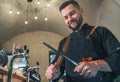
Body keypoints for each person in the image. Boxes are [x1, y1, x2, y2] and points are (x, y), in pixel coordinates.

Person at [45, 0, 120, 82]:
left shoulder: (101, 32)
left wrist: (97, 65)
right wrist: (53, 73)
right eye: (65, 17)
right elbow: (58, 69)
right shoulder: (64, 43)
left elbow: (117, 57)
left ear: (81, 11)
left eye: (72, 13)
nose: (70, 19)